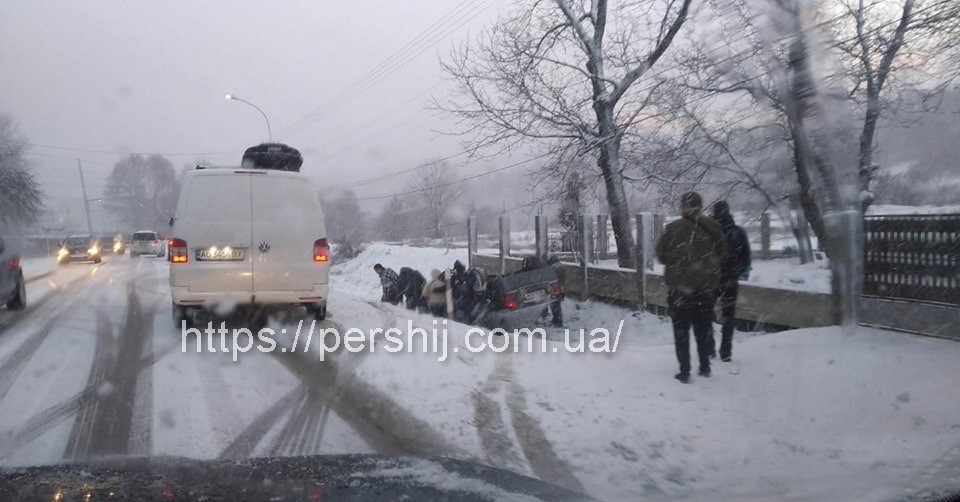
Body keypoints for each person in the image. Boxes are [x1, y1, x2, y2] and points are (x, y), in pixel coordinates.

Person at [656, 192, 726, 383]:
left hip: (679, 289)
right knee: (703, 328)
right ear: (700, 206)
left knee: (681, 331)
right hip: (704, 289)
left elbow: (661, 256)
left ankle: (684, 370)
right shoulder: (713, 227)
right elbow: (722, 253)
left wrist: (678, 260)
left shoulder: (673, 228)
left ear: (683, 207)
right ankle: (704, 365)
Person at [710, 201, 752, 362]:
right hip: (731, 279)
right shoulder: (738, 232)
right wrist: (739, 271)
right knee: (729, 315)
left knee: (706, 312)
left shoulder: (708, 232)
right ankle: (726, 351)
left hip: (711, 279)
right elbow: (746, 257)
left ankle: (709, 347)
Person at [540, 254, 564, 327]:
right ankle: (557, 320)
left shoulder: (553, 267)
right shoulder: (559, 266)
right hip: (558, 288)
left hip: (556, 288)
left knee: (555, 305)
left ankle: (557, 322)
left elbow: (551, 278)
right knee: (556, 305)